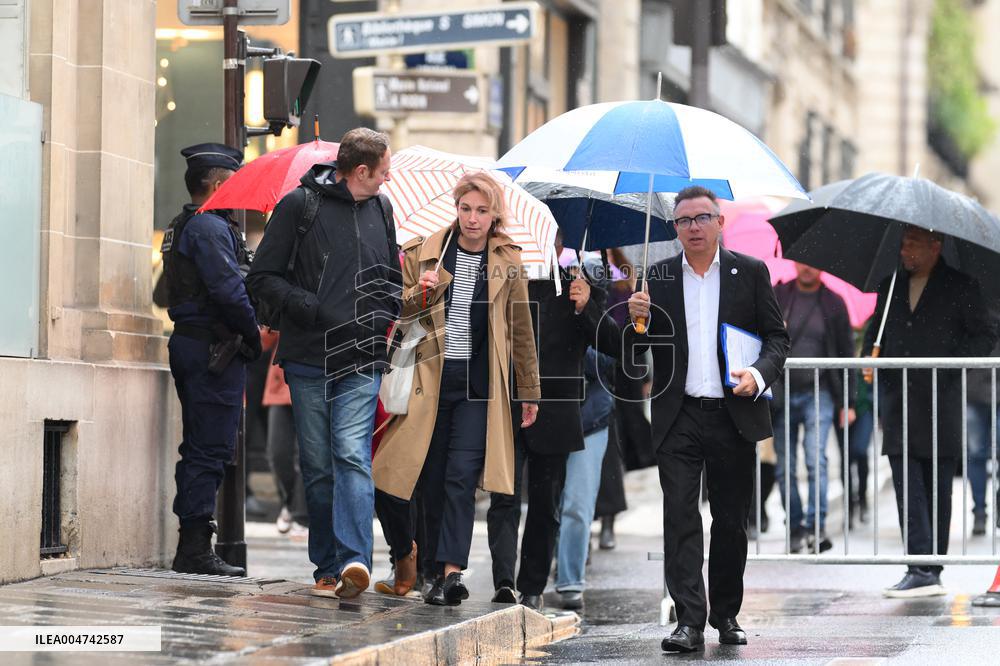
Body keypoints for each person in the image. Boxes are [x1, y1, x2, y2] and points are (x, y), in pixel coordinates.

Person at [627, 186, 789, 652]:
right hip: (678, 416)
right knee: (680, 517)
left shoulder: (749, 272)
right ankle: (688, 620)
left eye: (701, 218)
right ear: (674, 229)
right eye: (683, 220)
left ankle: (726, 614)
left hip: (732, 414)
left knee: (731, 520)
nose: (693, 227)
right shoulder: (656, 277)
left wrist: (758, 374)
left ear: (720, 222)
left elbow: (777, 338)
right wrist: (635, 320)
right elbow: (634, 352)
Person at [372, 171, 540, 607]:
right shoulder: (426, 254)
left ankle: (450, 573)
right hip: (428, 382)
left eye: (482, 210)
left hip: (478, 386)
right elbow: (398, 313)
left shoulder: (507, 261)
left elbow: (521, 330)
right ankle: (428, 568)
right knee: (428, 478)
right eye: (466, 208)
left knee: (460, 477)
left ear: (494, 215)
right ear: (456, 208)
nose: (472, 218)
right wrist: (420, 293)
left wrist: (529, 391)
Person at [246, 128, 400, 599]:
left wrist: (388, 309)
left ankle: (355, 560)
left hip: (362, 356)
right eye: (383, 171)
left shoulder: (382, 209)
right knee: (316, 466)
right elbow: (262, 277)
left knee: (352, 455)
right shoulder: (299, 206)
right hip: (310, 357)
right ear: (360, 171)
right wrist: (311, 306)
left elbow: (391, 274)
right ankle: (327, 566)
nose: (388, 178)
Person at [863, 225, 996, 597]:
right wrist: (868, 358)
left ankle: (931, 567)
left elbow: (985, 334)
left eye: (913, 244)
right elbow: (876, 331)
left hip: (941, 400)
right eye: (903, 243)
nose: (905, 250)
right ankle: (918, 565)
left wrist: (949, 364)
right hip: (898, 402)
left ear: (935, 247)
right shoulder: (890, 285)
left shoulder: (961, 286)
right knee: (907, 485)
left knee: (937, 488)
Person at [487, 240, 619, 611]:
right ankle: (504, 582)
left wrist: (586, 306)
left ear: (560, 243)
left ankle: (532, 586)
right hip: (507, 404)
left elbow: (614, 345)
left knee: (545, 504)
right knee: (504, 497)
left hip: (558, 408)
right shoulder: (503, 279)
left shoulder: (576, 284)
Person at [162, 142, 262, 577]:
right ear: (219, 185)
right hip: (211, 349)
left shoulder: (187, 224)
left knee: (203, 447)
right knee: (209, 449)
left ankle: (195, 545)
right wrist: (253, 334)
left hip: (198, 345)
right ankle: (195, 549)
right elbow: (228, 291)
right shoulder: (207, 227)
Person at [772, 262, 856, 553]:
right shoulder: (779, 296)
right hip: (782, 392)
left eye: (813, 263)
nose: (806, 268)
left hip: (820, 392)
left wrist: (848, 401)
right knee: (785, 466)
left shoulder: (834, 302)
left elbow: (846, 352)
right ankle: (795, 527)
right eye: (801, 261)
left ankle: (816, 526)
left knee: (815, 459)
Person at [554, 343, 617, 610]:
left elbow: (605, 362)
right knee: (546, 503)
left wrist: (574, 335)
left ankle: (570, 580)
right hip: (545, 413)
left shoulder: (597, 318)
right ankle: (535, 576)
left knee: (578, 504)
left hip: (590, 419)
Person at [260, 329, 309, 536]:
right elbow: (263, 341)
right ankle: (290, 503)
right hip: (282, 380)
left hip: (314, 379)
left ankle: (302, 515)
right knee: (277, 452)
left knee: (308, 454)